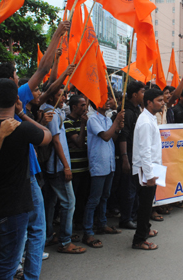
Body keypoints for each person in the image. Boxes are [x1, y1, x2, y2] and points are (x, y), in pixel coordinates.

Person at [0, 79, 52, 278]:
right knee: (8, 263)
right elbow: (46, 134)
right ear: (16, 99)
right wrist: (22, 114)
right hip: (14, 205)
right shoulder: (21, 128)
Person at [42, 85, 86, 254]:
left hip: (58, 166)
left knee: (51, 202)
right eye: (60, 95)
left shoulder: (57, 112)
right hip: (58, 167)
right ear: (51, 97)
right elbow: (56, 141)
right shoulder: (51, 114)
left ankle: (49, 235)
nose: (64, 98)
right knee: (69, 202)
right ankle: (65, 241)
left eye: (64, 95)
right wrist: (66, 166)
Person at [82, 95, 124, 248]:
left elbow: (112, 138)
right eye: (103, 99)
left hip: (109, 163)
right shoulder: (93, 119)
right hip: (99, 164)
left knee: (105, 196)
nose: (107, 102)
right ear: (95, 102)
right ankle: (87, 232)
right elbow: (105, 136)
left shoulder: (107, 119)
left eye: (108, 99)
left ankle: (102, 223)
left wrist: (117, 128)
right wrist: (116, 121)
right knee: (94, 199)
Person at [131, 88, 164, 250]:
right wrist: (150, 174)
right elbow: (144, 150)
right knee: (144, 205)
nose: (162, 103)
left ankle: (146, 229)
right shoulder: (144, 121)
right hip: (146, 170)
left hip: (152, 167)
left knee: (148, 203)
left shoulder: (150, 118)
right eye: (159, 100)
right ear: (149, 102)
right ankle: (139, 239)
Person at [118, 81, 145, 230]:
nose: (144, 95)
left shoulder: (137, 110)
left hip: (136, 153)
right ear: (134, 94)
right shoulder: (127, 112)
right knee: (129, 188)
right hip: (128, 154)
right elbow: (123, 136)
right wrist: (125, 158)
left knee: (135, 187)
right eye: (142, 92)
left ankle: (133, 215)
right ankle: (125, 218)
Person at [64, 95, 89, 230]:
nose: (85, 108)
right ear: (74, 107)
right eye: (82, 105)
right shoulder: (67, 122)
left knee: (82, 198)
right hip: (74, 168)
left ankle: (79, 224)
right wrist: (83, 125)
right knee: (72, 200)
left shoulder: (81, 122)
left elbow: (87, 142)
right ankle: (70, 227)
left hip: (85, 166)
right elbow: (79, 143)